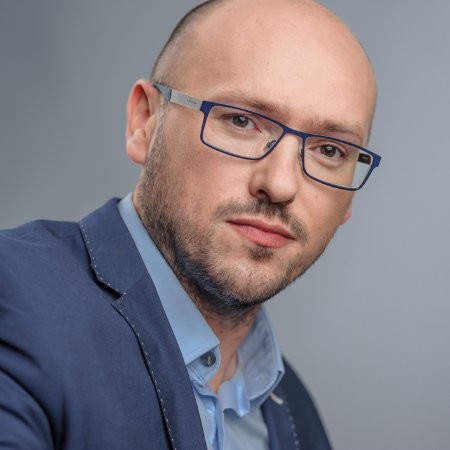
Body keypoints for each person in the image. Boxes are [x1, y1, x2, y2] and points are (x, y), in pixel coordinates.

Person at [0, 0, 381, 449]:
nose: (280, 184)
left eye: (330, 150)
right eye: (241, 121)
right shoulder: (14, 297)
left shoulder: (297, 416)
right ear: (145, 122)